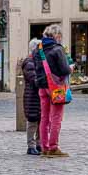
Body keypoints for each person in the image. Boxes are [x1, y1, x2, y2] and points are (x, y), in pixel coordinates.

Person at [34, 24, 72, 157]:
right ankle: (53, 147)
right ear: (56, 36)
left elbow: (36, 68)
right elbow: (64, 69)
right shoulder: (57, 49)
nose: (61, 38)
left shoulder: (38, 49)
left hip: (42, 87)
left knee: (44, 118)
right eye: (60, 36)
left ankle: (44, 147)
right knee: (56, 117)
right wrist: (70, 68)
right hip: (56, 87)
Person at [21, 39, 42, 156]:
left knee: (40, 120)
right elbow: (34, 80)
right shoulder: (29, 62)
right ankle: (31, 146)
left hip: (37, 96)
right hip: (32, 96)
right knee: (33, 121)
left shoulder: (37, 61)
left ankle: (39, 144)